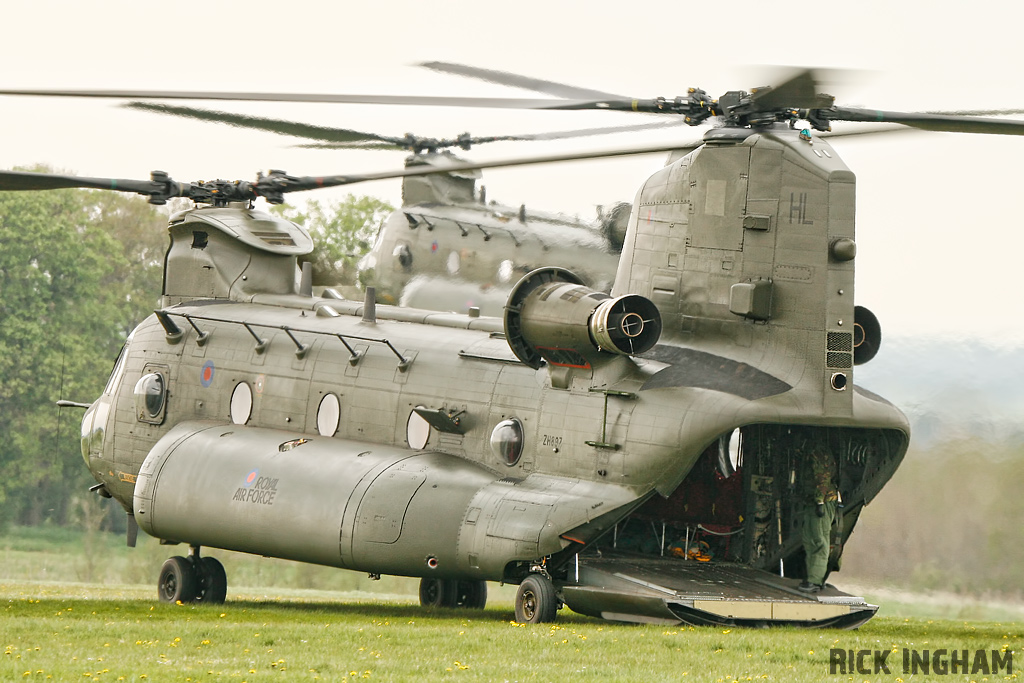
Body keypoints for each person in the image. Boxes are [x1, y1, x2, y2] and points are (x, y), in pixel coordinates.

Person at [797, 433, 838, 593]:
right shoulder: (808, 450)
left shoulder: (818, 451)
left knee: (819, 540)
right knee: (809, 539)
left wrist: (820, 501)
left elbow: (823, 479)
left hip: (822, 501)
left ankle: (815, 580)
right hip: (812, 500)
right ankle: (812, 577)